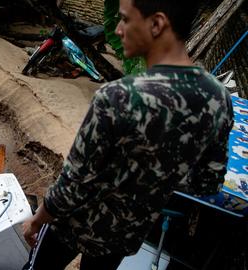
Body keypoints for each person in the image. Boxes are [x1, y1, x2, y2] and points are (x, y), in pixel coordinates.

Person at [22, 0, 234, 269]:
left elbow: (73, 184)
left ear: (156, 24)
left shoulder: (117, 98)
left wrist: (37, 220)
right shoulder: (219, 99)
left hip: (72, 227)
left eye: (125, 19)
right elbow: (207, 183)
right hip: (124, 236)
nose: (119, 30)